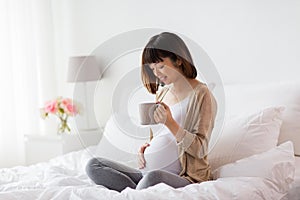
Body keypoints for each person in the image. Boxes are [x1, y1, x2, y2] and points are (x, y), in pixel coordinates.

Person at [86, 32, 217, 192]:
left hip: (183, 177)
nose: (157, 74)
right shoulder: (162, 93)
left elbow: (200, 148)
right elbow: (159, 136)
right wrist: (145, 149)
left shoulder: (202, 94)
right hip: (146, 172)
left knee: (153, 177)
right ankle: (140, 191)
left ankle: (137, 192)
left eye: (161, 66)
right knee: (94, 165)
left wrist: (170, 123)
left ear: (178, 60)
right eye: (152, 68)